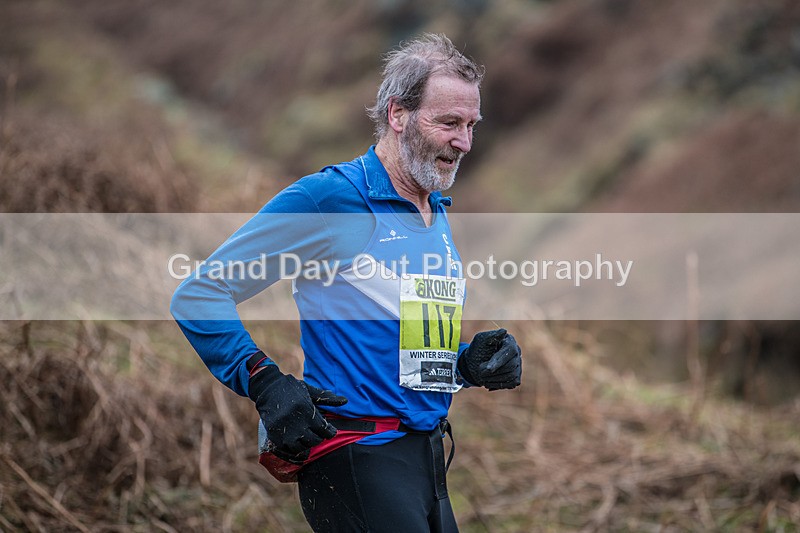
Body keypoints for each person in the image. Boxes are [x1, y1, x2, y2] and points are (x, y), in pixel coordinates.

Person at [171, 33, 522, 532]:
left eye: (470, 125)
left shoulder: (431, 209)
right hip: (356, 459)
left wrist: (466, 364)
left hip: (425, 460)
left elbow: (400, 345)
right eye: (448, 123)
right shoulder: (330, 200)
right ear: (397, 114)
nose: (464, 142)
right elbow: (201, 293)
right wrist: (265, 383)